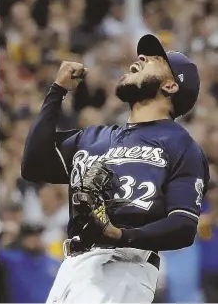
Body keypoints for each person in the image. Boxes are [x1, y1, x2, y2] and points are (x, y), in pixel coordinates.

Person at [21, 34, 209, 303]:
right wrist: (57, 91)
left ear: (170, 85)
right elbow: (33, 165)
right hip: (72, 267)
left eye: (155, 59)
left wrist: (121, 234)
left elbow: (183, 225)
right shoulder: (93, 137)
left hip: (123, 268)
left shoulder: (181, 145)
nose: (140, 58)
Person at [0, 223, 60, 303]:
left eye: (37, 238)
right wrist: (5, 237)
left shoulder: (53, 263)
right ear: (23, 240)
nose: (34, 242)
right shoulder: (13, 259)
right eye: (30, 239)